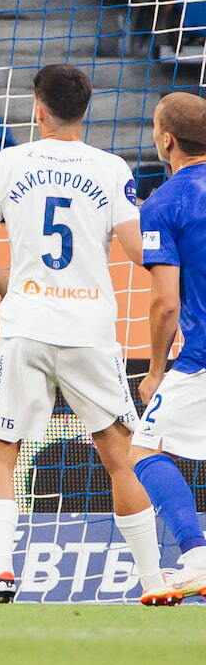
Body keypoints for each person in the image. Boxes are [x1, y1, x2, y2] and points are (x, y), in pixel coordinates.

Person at [0, 64, 165, 605]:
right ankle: (154, 582)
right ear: (87, 106)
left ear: (38, 107)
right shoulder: (109, 167)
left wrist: (13, 293)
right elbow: (137, 251)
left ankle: (1, 570)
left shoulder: (9, 162)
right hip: (89, 329)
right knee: (119, 455)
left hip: (26, 326)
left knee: (1, 452)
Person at [130, 91, 206, 604]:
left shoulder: (164, 203)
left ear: (167, 140)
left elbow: (165, 306)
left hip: (201, 354)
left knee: (143, 447)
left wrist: (156, 369)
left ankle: (197, 555)